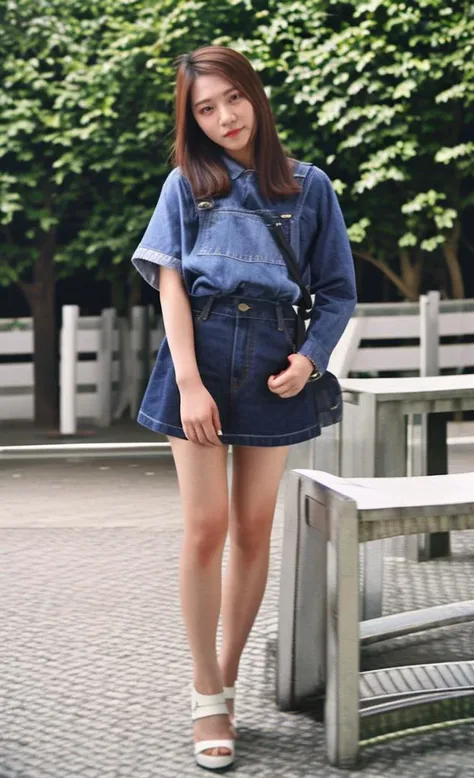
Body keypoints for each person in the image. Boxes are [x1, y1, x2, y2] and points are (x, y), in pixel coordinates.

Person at [131, 45, 357, 771]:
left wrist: (309, 358)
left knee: (255, 530)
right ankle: (205, 694)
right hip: (199, 354)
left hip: (273, 368)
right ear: (191, 119)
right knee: (207, 529)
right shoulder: (184, 185)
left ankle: (224, 683)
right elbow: (169, 285)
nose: (224, 117)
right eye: (205, 108)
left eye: (233, 98)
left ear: (255, 96)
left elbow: (339, 291)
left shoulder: (309, 187)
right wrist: (190, 382)